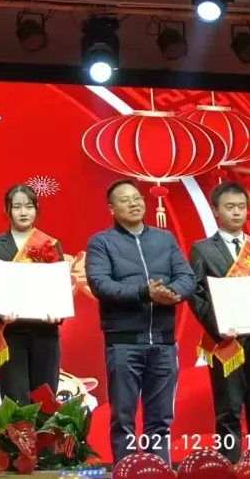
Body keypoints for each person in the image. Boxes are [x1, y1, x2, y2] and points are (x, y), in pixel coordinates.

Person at [85, 179, 196, 465]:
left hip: (163, 343)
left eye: (137, 198)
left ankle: (159, 469)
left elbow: (187, 277)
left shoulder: (164, 239)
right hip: (124, 344)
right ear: (111, 208)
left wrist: (172, 293)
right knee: (123, 417)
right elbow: (101, 284)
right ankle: (126, 469)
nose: (133, 203)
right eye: (125, 200)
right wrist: (144, 292)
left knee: (160, 419)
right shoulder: (101, 242)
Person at [187, 181, 250, 462]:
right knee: (228, 412)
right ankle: (230, 467)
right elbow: (195, 294)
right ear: (216, 210)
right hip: (225, 342)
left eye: (241, 207)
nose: (237, 212)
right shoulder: (202, 249)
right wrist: (220, 326)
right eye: (230, 207)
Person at [0, 184, 64, 403]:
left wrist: (58, 313)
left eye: (29, 206)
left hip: (45, 334)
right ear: (8, 210)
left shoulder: (50, 244)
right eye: (17, 207)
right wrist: (0, 312)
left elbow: (60, 288)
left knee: (45, 401)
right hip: (10, 334)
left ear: (36, 209)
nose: (24, 212)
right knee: (15, 402)